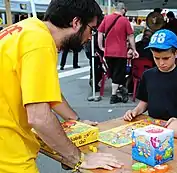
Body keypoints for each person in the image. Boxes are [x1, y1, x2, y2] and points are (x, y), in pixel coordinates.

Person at [0, 0, 123, 172]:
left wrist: (76, 122)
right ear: (76, 22)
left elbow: (46, 92)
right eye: (92, 30)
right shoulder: (40, 42)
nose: (90, 38)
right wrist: (78, 158)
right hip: (8, 154)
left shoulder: (27, 28)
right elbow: (39, 117)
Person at [123, 29, 177, 121]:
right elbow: (144, 101)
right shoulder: (148, 75)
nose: (161, 63)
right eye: (156, 58)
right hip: (153, 123)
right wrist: (135, 111)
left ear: (176, 53)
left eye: (166, 58)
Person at [98, 2, 139, 104]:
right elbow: (130, 36)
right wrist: (134, 49)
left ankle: (120, 87)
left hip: (108, 52)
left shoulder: (106, 18)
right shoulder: (124, 20)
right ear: (123, 10)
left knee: (113, 73)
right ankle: (114, 96)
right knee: (118, 73)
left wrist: (101, 46)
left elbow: (100, 33)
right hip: (120, 52)